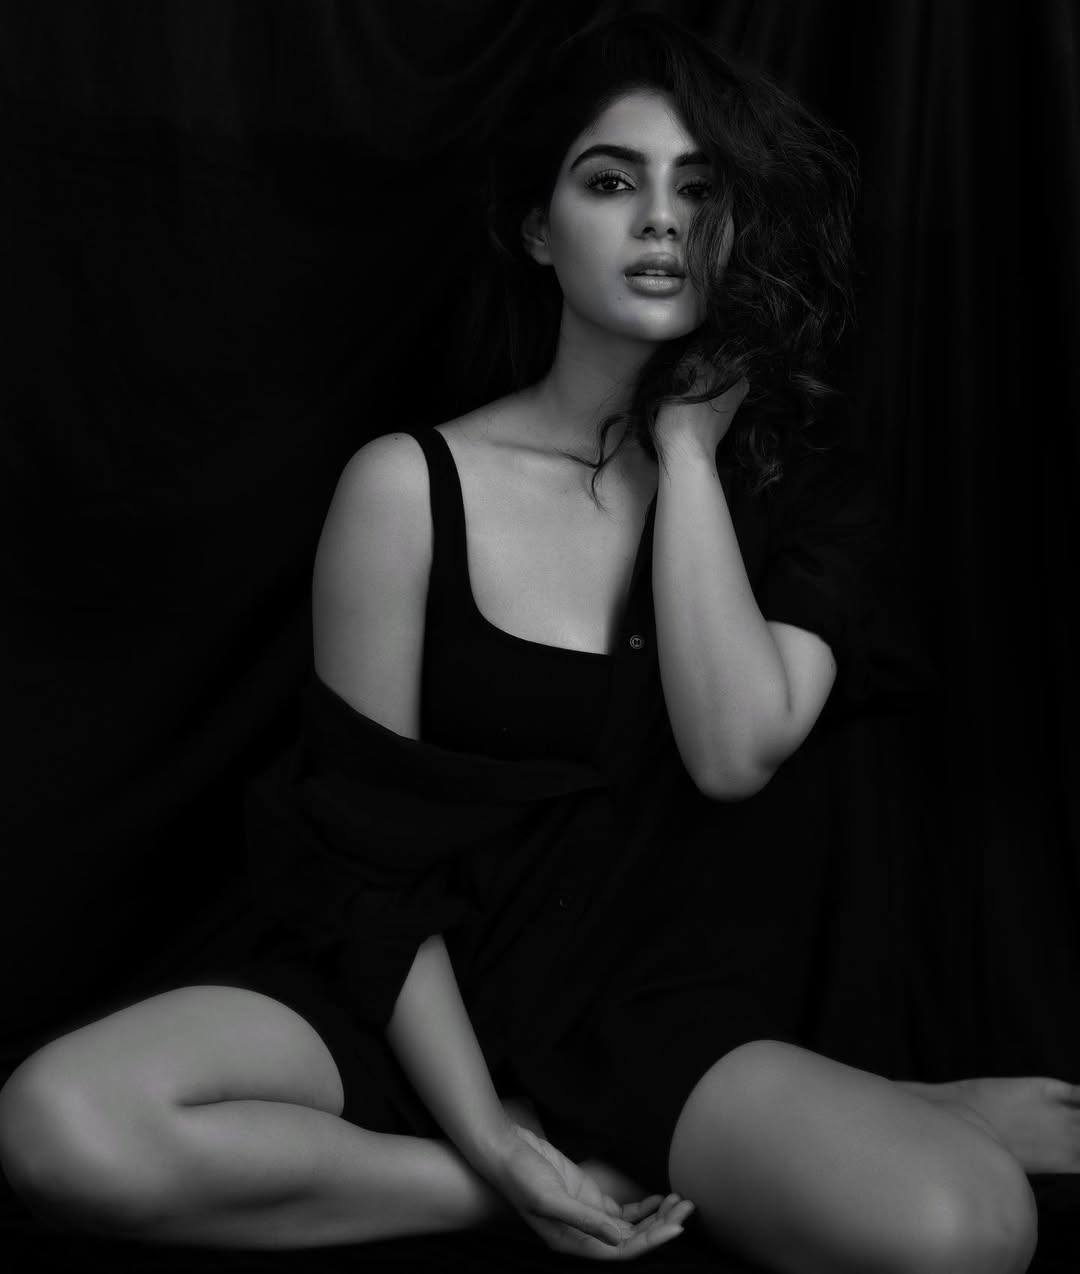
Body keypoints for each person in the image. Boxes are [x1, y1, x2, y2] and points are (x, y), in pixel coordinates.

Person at [0, 12, 1074, 1271]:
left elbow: (733, 747)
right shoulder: (409, 487)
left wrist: (686, 452)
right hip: (419, 995)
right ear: (537, 228)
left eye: (700, 189)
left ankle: (693, 1142)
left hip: (662, 1027)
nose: (661, 220)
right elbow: (364, 855)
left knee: (970, 1227)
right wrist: (495, 1143)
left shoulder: (806, 499)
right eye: (611, 182)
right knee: (60, 1122)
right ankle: (573, 1177)